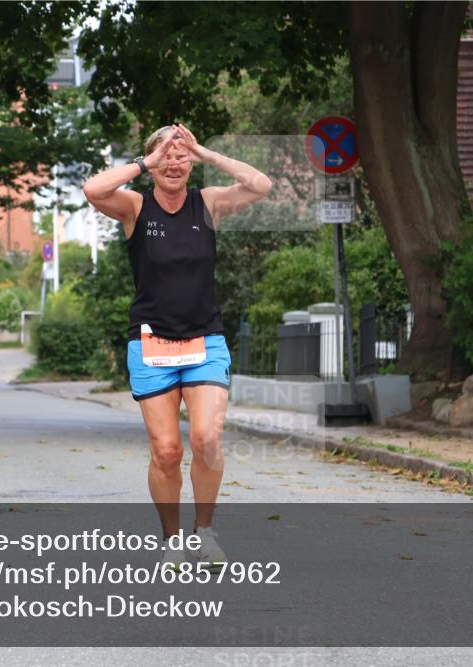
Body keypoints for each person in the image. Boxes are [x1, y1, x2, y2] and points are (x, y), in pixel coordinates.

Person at [83, 123, 271, 569]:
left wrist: (206, 153)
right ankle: (172, 541)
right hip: (152, 345)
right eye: (165, 155)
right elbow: (93, 189)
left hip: (205, 340)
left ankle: (204, 533)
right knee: (166, 451)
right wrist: (145, 160)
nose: (173, 162)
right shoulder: (134, 207)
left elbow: (260, 185)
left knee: (206, 438)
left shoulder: (207, 204)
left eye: (180, 155)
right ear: (150, 164)